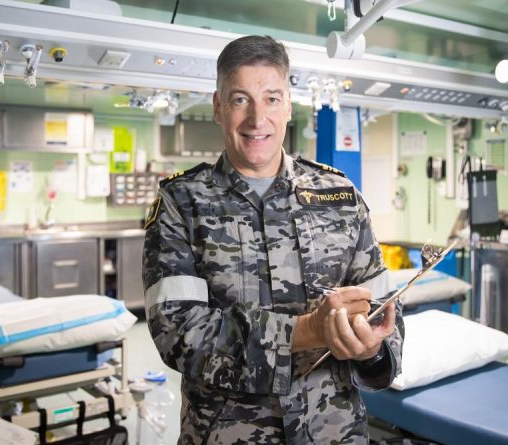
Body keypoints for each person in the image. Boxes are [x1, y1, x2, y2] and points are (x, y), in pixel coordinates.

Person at [142, 34, 404, 444]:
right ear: (217, 107)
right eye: (240, 99)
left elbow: (385, 306)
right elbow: (179, 332)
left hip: (333, 432)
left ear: (288, 105)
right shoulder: (182, 203)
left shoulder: (339, 196)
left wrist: (371, 346)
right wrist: (307, 332)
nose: (257, 119)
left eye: (271, 98)